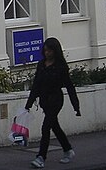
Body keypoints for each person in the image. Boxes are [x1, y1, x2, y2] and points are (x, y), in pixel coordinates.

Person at [25, 37, 81, 168]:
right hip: (45, 100)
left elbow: (69, 86)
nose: (47, 53)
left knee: (46, 128)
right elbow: (36, 85)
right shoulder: (41, 65)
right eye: (45, 50)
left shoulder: (61, 67)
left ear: (55, 51)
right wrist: (28, 104)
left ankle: (41, 157)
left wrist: (76, 106)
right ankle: (68, 150)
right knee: (54, 126)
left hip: (56, 100)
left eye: (50, 51)